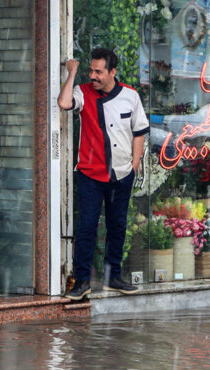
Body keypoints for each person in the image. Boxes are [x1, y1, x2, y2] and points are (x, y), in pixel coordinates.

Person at [57, 48, 149, 300]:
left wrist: (135, 163)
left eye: (99, 71)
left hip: (122, 173)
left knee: (117, 226)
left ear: (112, 72)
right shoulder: (83, 92)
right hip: (90, 173)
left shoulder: (130, 96)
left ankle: (113, 277)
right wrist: (72, 72)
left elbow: (139, 130)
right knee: (87, 227)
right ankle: (82, 280)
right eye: (91, 70)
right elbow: (64, 103)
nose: (94, 76)